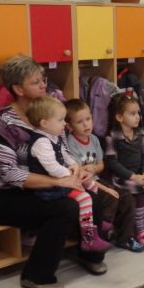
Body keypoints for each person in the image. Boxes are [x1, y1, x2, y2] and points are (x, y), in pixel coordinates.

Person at [0, 55, 106, 288]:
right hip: (2, 193)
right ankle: (36, 275)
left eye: (43, 80)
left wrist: (76, 170)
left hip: (43, 187)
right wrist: (59, 181)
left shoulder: (51, 112)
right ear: (18, 89)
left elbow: (63, 151)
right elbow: (10, 174)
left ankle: (89, 253)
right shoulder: (3, 123)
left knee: (93, 197)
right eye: (35, 82)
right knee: (65, 208)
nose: (43, 86)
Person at [25, 97, 111, 253]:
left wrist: (74, 165)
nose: (64, 124)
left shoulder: (52, 135)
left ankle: (95, 219)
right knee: (85, 198)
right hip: (49, 189)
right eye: (60, 120)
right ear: (44, 123)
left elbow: (64, 154)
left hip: (62, 181)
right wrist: (70, 173)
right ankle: (88, 239)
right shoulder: (41, 143)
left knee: (91, 184)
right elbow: (52, 168)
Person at [64, 99, 138, 251]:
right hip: (83, 184)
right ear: (70, 126)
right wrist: (91, 173)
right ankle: (103, 231)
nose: (86, 124)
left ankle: (125, 238)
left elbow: (101, 164)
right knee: (110, 197)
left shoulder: (94, 139)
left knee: (127, 197)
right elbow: (78, 173)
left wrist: (94, 168)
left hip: (96, 179)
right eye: (80, 122)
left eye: (88, 119)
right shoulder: (70, 143)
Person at [105, 93, 144, 249]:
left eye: (138, 113)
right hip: (123, 177)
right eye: (132, 113)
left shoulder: (141, 134)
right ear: (119, 117)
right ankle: (139, 230)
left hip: (140, 174)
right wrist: (133, 176)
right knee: (139, 193)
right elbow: (112, 162)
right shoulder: (112, 137)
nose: (138, 116)